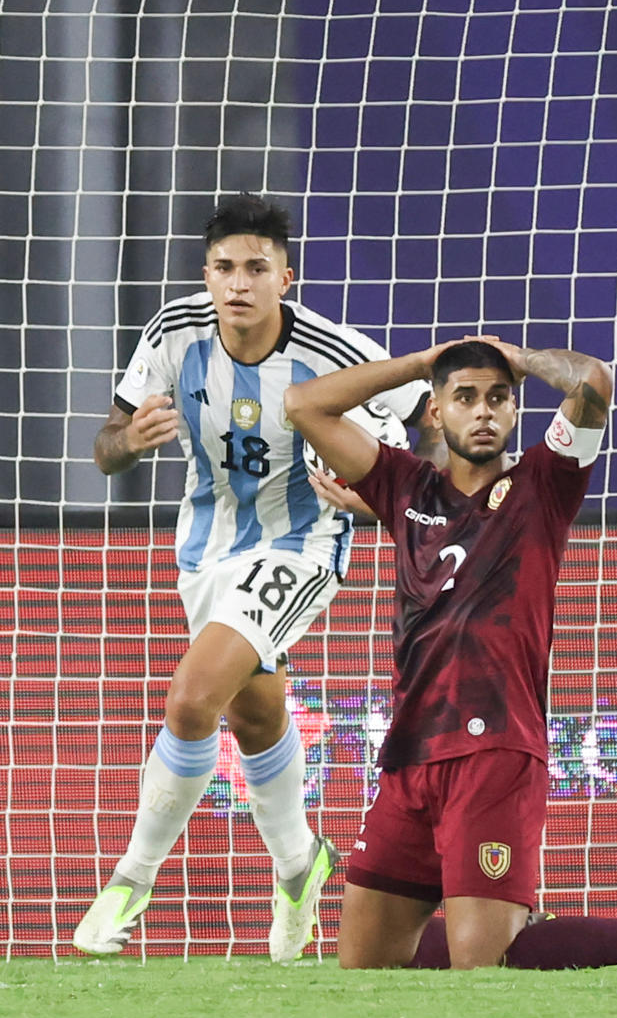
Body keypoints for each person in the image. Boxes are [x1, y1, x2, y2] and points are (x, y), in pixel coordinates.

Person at [285, 336, 617, 970]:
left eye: (498, 399)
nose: (483, 412)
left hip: (496, 749)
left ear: (514, 410)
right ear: (436, 412)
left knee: (483, 963)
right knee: (365, 962)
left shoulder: (545, 483)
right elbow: (304, 405)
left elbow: (594, 383)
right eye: (465, 397)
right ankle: (512, 920)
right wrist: (423, 364)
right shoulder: (403, 486)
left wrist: (518, 360)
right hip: (411, 752)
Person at [75, 193, 434, 963]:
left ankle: (130, 882)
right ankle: (302, 865)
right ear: (207, 274)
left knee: (193, 697)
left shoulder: (337, 353)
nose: (238, 284)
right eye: (225, 268)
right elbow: (104, 446)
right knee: (258, 716)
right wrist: (128, 441)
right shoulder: (173, 332)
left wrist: (383, 497)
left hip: (303, 545)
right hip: (205, 550)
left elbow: (432, 432)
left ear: (285, 279)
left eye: (256, 269)